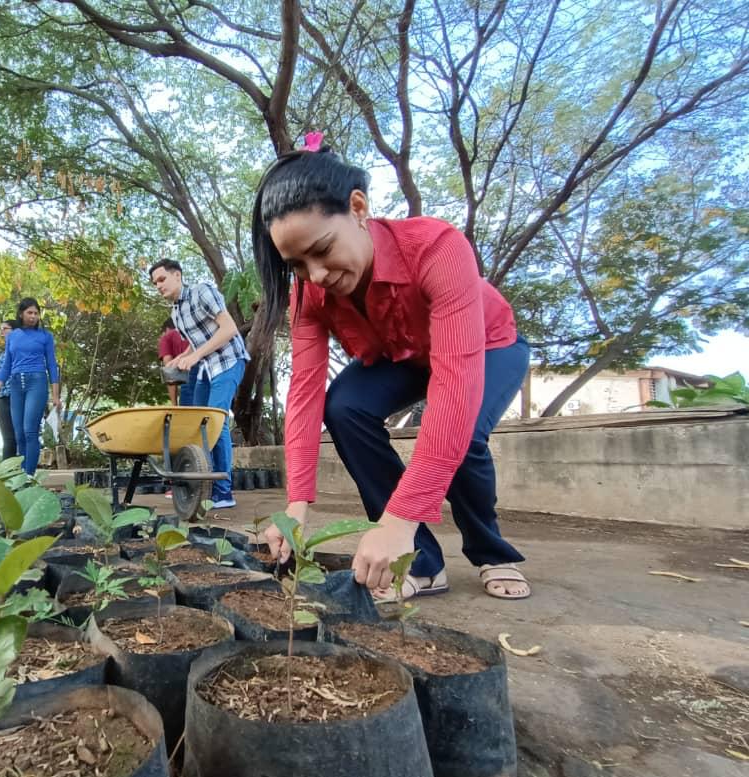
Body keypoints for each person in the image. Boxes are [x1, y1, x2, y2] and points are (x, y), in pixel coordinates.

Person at [252, 139, 531, 601]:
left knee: (464, 436)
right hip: (403, 357)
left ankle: (490, 550)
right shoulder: (309, 296)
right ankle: (418, 560)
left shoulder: (437, 247)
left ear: (357, 207)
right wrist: (295, 507)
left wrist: (399, 518)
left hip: (486, 346)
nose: (317, 274)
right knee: (344, 407)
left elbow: (454, 389)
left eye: (322, 249)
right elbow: (304, 394)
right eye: (298, 265)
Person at [151, 259, 249, 509]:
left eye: (162, 279)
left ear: (177, 275)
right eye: (155, 283)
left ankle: (224, 492)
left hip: (228, 362)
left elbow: (229, 329)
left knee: (216, 422)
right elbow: (197, 341)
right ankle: (205, 483)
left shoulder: (201, 292)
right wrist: (184, 357)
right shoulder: (175, 312)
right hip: (207, 368)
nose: (158, 286)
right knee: (199, 424)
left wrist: (194, 356)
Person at [0, 298, 60, 475]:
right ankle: (20, 476)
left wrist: (56, 395)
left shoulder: (45, 336)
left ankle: (29, 476)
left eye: (36, 313)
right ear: (21, 314)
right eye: (30, 313)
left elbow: (52, 365)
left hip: (37, 382)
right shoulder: (12, 337)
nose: (33, 316)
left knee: (29, 431)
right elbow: (6, 367)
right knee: (19, 435)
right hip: (16, 385)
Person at [0, 319, 20, 460]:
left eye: (5, 328)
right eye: (0, 329)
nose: (1, 332)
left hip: (20, 398)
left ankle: (26, 475)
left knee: (23, 437)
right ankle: (7, 477)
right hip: (3, 399)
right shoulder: (2, 356)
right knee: (8, 440)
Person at [158, 317, 200, 406]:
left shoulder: (166, 337)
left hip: (191, 368)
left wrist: (174, 404)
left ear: (167, 329)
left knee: (187, 414)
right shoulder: (192, 330)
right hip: (213, 367)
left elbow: (170, 373)